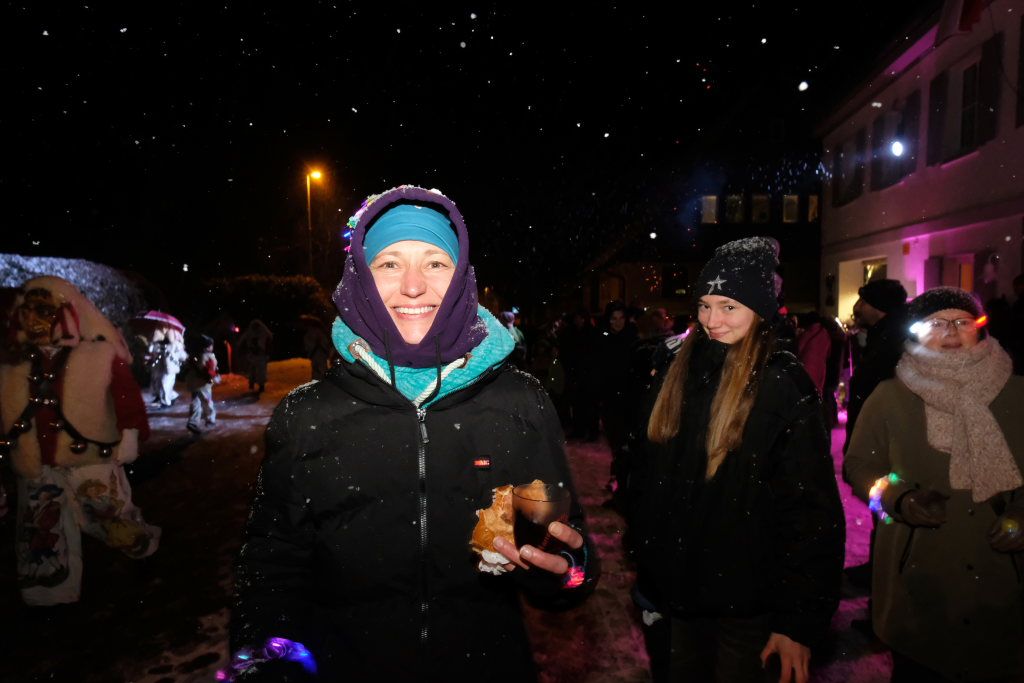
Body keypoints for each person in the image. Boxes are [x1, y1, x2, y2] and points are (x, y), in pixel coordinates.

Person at [228, 185, 597, 682]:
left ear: (461, 276)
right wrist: (264, 657)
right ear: (361, 278)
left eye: (435, 263)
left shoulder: (520, 401)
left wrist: (567, 569)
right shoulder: (307, 414)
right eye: (389, 264)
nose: (414, 286)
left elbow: (567, 547)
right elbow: (269, 564)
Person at [631, 237, 844, 683]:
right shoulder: (678, 372)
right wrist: (649, 562)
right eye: (705, 306)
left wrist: (797, 620)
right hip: (678, 593)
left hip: (748, 602)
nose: (712, 320)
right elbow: (651, 476)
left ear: (760, 309)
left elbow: (810, 510)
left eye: (728, 306)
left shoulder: (781, 384)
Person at [844, 287, 1024, 682]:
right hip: (918, 584)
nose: (951, 332)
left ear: (980, 328)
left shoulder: (1018, 394)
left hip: (1004, 587)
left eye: (962, 322)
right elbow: (859, 466)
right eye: (936, 323)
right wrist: (898, 498)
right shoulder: (890, 396)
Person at [0, 276, 159, 606]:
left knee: (109, 516)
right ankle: (49, 593)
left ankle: (140, 548)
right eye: (28, 311)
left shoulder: (99, 355)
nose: (34, 320)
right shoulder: (11, 363)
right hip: (35, 463)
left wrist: (130, 434)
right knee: (42, 531)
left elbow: (126, 396)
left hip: (90, 457)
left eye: (44, 311)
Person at [845, 278, 908, 452]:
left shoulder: (894, 344)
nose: (857, 307)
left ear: (879, 307)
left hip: (879, 447)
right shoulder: (881, 337)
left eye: (864, 301)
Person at [183, 334, 219, 435]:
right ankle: (210, 419)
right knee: (207, 401)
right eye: (211, 345)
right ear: (206, 347)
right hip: (202, 384)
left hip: (193, 383)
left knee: (196, 402)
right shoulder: (207, 356)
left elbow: (188, 366)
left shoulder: (194, 356)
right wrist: (213, 377)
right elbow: (209, 370)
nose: (212, 347)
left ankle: (193, 422)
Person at [148, 325, 187, 407]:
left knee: (165, 383)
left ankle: (166, 402)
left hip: (171, 368)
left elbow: (183, 356)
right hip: (160, 367)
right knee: (160, 383)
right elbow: (151, 350)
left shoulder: (176, 344)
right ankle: (171, 396)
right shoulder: (159, 344)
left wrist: (177, 357)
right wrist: (153, 343)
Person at [236, 319, 273, 394]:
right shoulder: (250, 332)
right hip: (252, 354)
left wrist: (266, 351)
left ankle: (261, 386)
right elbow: (241, 342)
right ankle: (252, 384)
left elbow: (270, 337)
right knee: (252, 370)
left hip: (261, 355)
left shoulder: (263, 332)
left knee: (261, 372)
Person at [300, 317, 332, 381]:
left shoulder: (312, 332)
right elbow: (325, 342)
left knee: (319, 368)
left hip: (318, 353)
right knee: (320, 368)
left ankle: (320, 380)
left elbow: (308, 343)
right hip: (318, 353)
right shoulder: (316, 332)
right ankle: (322, 380)